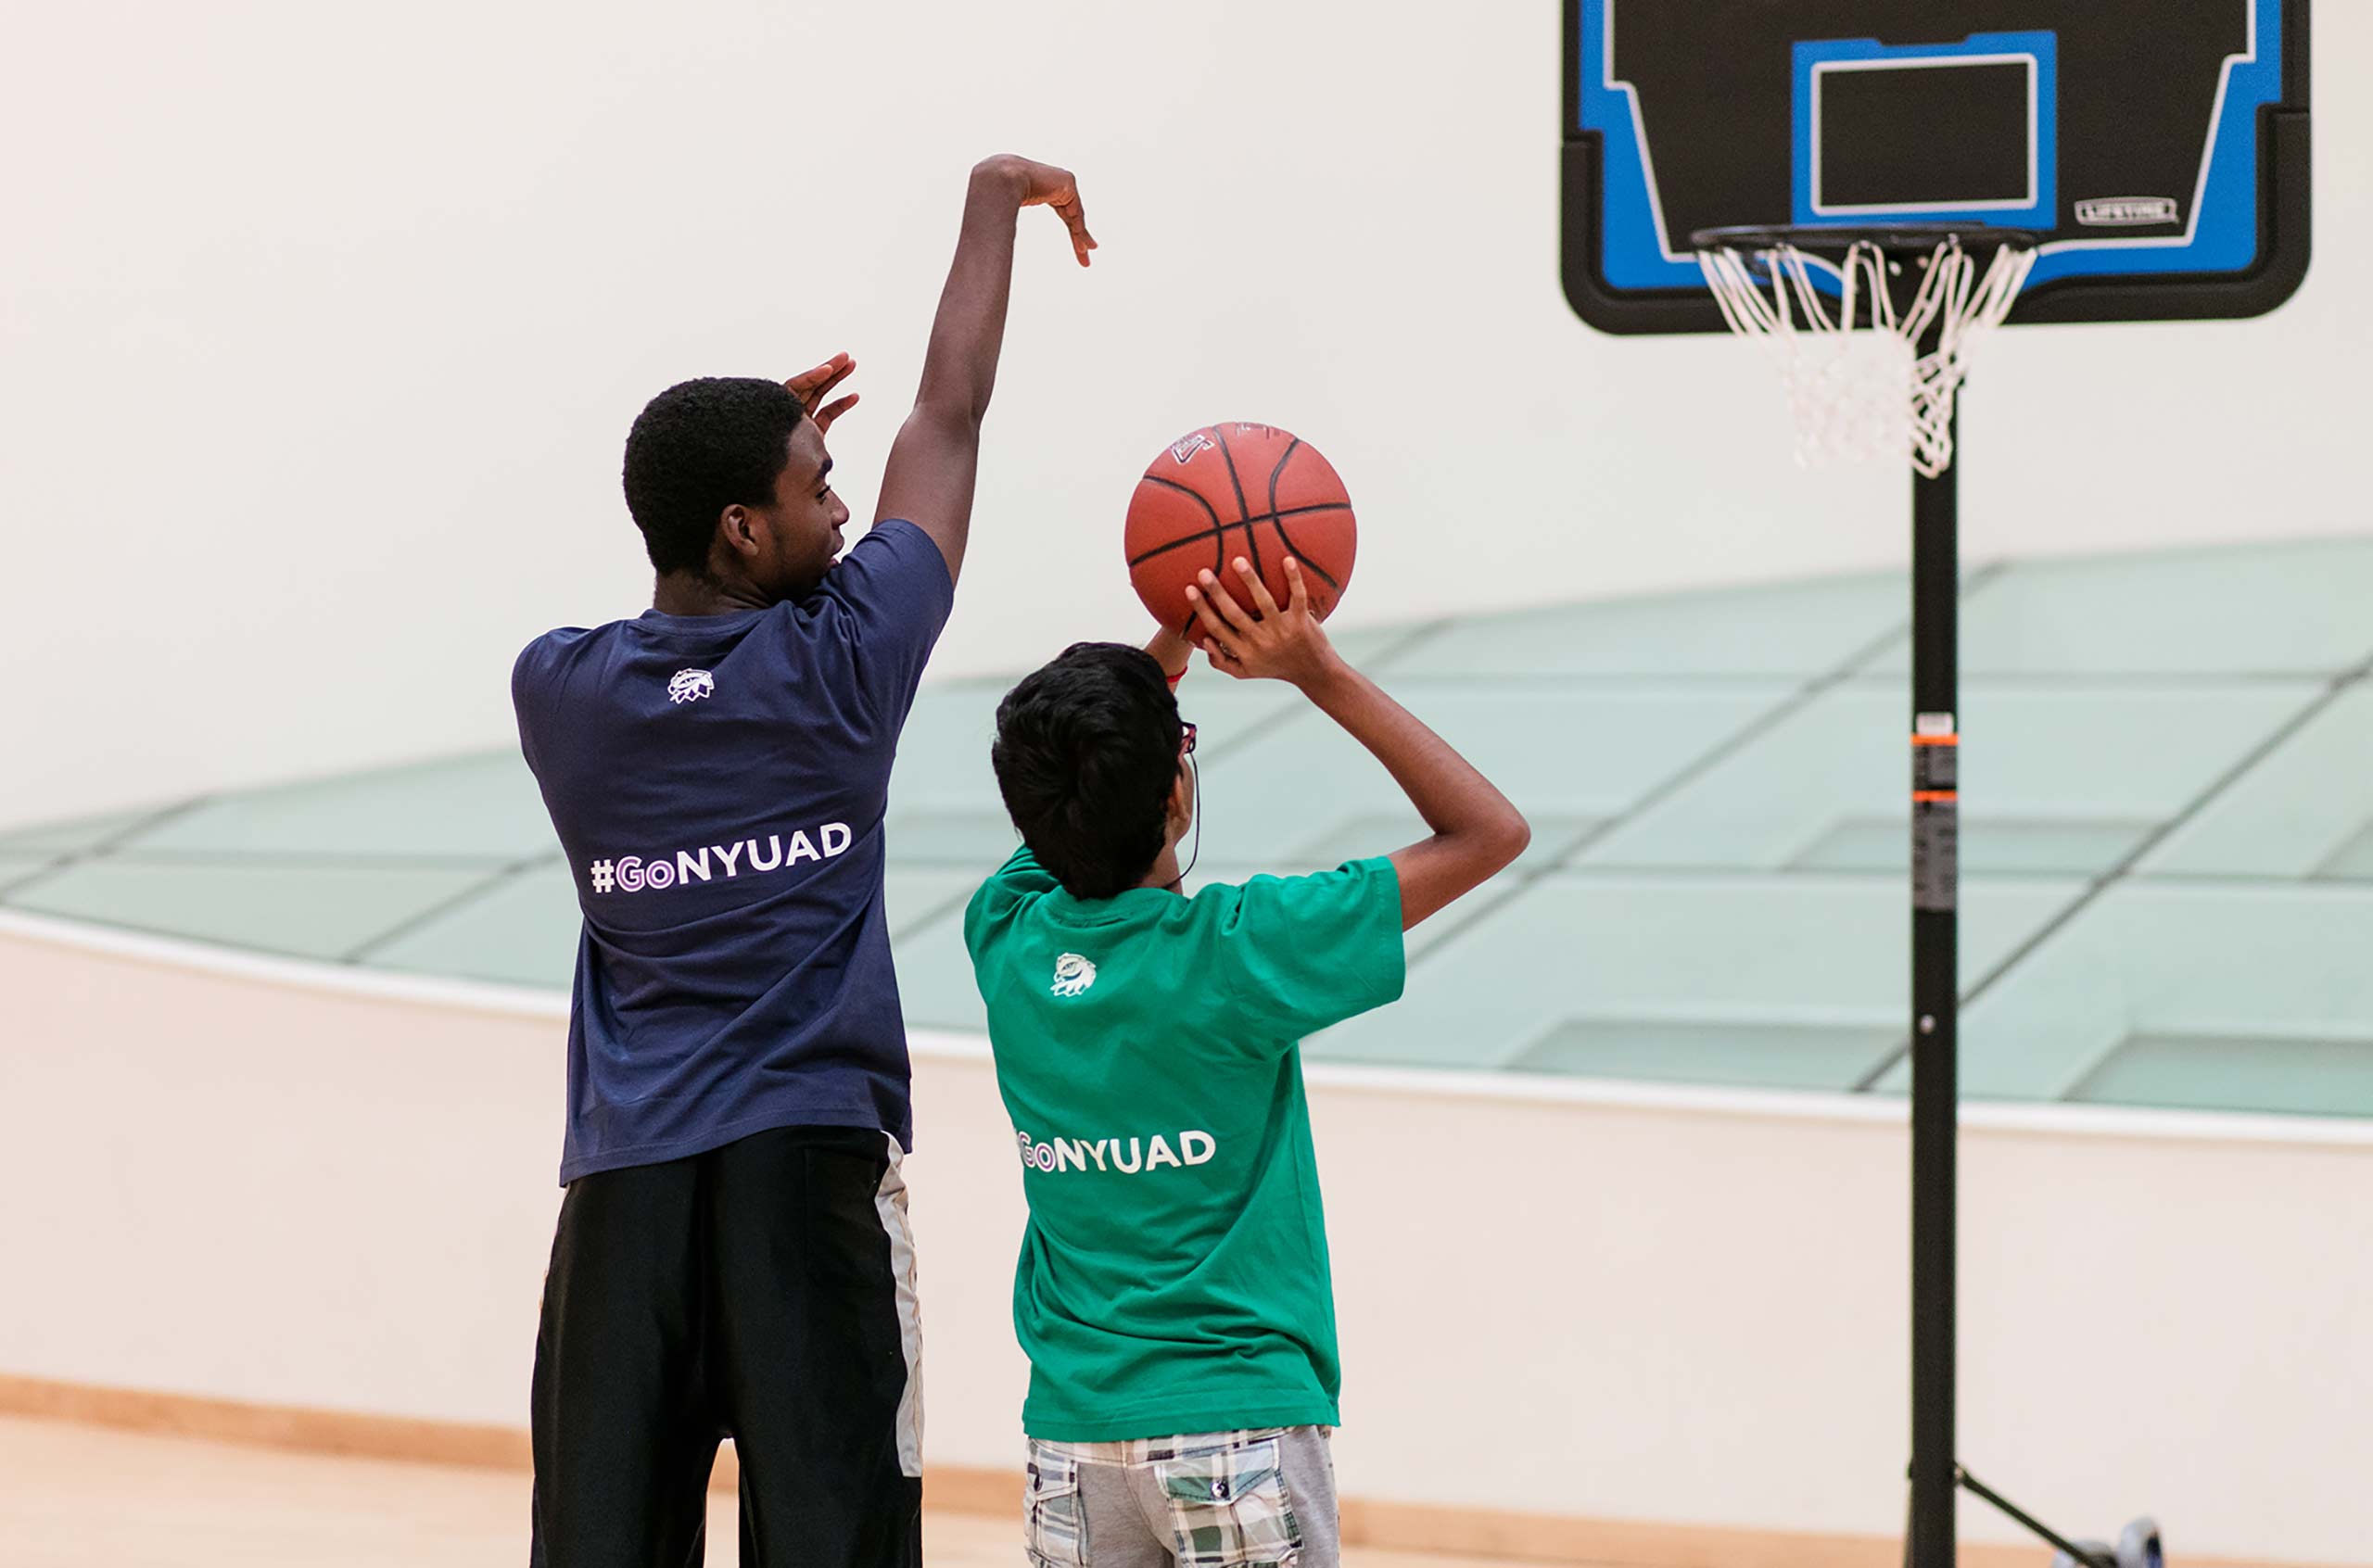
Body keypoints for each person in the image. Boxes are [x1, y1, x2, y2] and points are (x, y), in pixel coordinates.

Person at [509, 154, 1095, 1568]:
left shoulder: (561, 693)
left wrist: (737, 468)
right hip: (805, 1188)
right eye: (816, 489)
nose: (843, 513)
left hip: (625, 1210)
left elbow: (687, 584)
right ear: (743, 525)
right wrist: (992, 200)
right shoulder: (842, 665)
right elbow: (947, 417)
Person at [966, 554, 1529, 1567]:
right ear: (1177, 797)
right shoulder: (1240, 948)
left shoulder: (1004, 935)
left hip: (1073, 1437)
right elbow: (1488, 830)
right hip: (1237, 1426)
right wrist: (1317, 671)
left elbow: (1070, 800)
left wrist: (1163, 654)